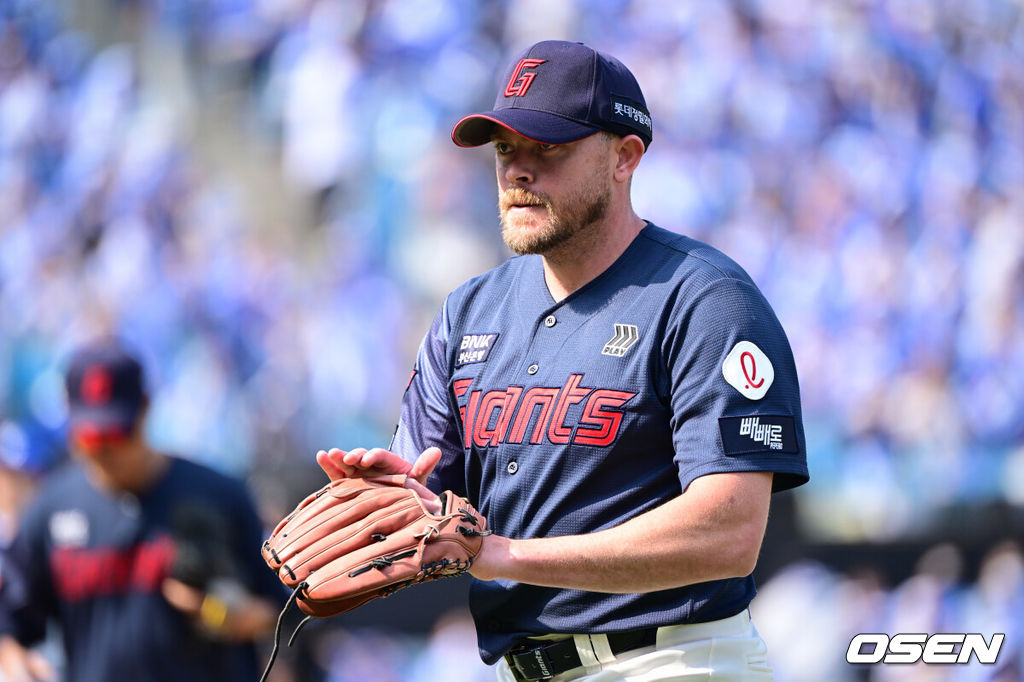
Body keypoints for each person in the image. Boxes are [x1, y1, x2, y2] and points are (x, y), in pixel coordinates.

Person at [316, 40, 809, 681]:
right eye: (504, 151)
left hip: (668, 661)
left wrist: (507, 555)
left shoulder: (704, 299)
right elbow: (434, 504)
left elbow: (730, 535)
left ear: (624, 157)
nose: (518, 171)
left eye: (546, 148)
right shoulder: (468, 313)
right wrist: (398, 498)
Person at [0, 339, 284, 682]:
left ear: (146, 408)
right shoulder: (50, 510)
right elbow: (11, 619)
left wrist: (221, 612)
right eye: (92, 437)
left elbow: (280, 607)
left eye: (117, 434)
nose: (105, 451)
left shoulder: (218, 494)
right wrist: (14, 660)